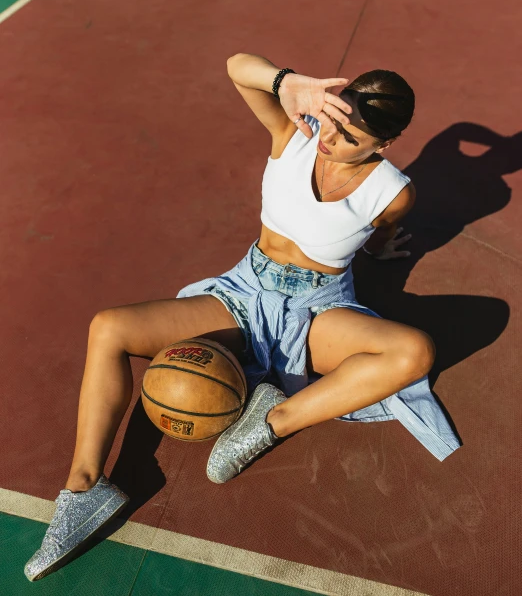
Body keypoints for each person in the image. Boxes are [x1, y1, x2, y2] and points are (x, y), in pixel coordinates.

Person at [25, 54, 460, 581]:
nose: (330, 139)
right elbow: (236, 66)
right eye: (333, 120)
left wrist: (383, 251)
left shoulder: (394, 190)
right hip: (243, 288)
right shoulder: (293, 133)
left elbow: (382, 230)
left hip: (317, 307)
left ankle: (272, 419)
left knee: (414, 352)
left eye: (351, 138)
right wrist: (291, 84)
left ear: (383, 145)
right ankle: (84, 486)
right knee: (109, 327)